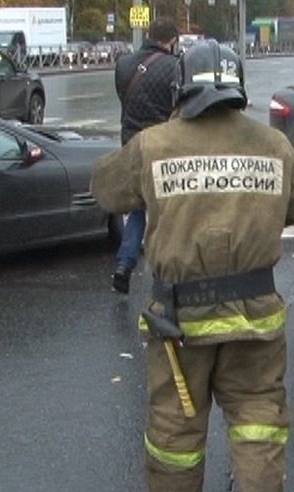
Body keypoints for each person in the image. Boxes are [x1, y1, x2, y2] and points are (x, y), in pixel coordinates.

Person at [91, 40, 294, 492]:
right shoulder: (273, 146)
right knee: (257, 415)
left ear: (182, 88)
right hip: (255, 322)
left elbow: (104, 188)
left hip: (179, 330)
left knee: (175, 429)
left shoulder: (156, 144)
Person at [111, 17, 179, 294]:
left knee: (138, 207)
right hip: (161, 146)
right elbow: (179, 107)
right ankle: (165, 273)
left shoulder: (124, 64)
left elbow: (124, 100)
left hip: (131, 144)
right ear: (171, 41)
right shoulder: (175, 67)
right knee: (166, 209)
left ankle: (123, 265)